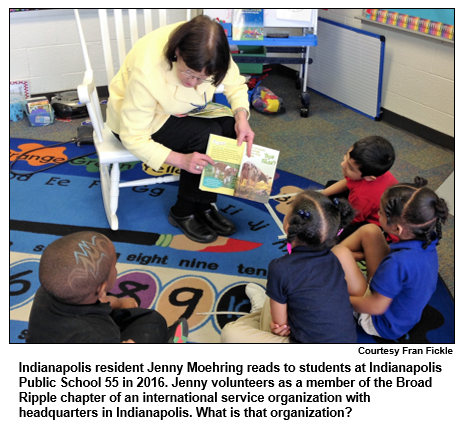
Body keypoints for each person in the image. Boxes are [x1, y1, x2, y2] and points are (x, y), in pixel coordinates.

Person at [106, 15, 254, 244]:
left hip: (182, 108)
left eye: (202, 78)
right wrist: (180, 160)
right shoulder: (149, 70)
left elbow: (236, 85)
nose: (193, 82)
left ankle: (204, 204)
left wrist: (242, 117)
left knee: (228, 127)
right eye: (188, 73)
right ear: (177, 53)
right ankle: (183, 211)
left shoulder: (213, 51)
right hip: (139, 121)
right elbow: (132, 136)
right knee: (206, 135)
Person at [221, 190, 357, 343]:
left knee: (230, 332)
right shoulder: (334, 258)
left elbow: (280, 326)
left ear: (288, 226)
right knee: (279, 291)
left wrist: (276, 326)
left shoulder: (281, 268)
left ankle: (259, 315)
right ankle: (261, 315)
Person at [332, 177, 449, 340]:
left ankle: (320, 266)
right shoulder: (427, 240)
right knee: (370, 231)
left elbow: (376, 306)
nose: (377, 213)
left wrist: (336, 299)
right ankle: (329, 262)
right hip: (396, 309)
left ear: (397, 228)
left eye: (380, 211)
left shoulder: (397, 263)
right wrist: (357, 256)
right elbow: (398, 265)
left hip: (378, 321)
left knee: (339, 252)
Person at [26, 231, 188, 344]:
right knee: (154, 324)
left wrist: (118, 302)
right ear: (102, 287)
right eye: (114, 266)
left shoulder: (48, 290)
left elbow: (103, 299)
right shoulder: (101, 335)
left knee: (149, 317)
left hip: (56, 334)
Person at [321, 136, 398, 241]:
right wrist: (322, 194)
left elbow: (352, 220)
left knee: (336, 235)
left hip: (378, 227)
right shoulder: (378, 171)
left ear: (369, 177)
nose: (342, 164)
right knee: (331, 185)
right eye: (346, 156)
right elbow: (349, 182)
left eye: (350, 167)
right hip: (372, 207)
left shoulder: (361, 196)